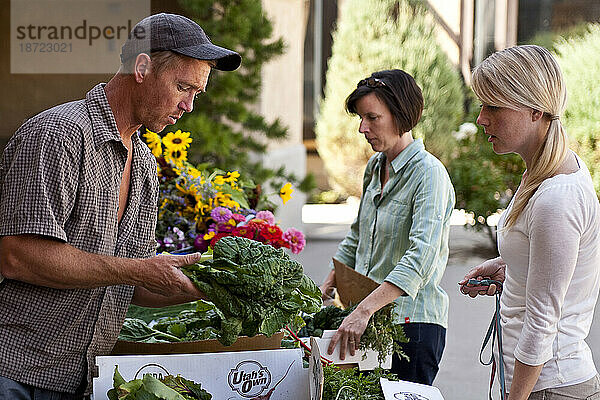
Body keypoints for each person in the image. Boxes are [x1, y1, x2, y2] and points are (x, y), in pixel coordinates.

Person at [0, 13, 241, 399]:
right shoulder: (59, 135)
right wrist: (140, 269)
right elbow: (18, 256)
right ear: (142, 67)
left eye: (197, 92)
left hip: (85, 379)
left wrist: (217, 283)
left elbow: (135, 284)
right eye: (182, 86)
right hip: (15, 371)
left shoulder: (144, 163)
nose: (189, 106)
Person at [459, 45, 600, 400]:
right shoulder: (544, 172)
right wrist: (512, 267)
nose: (482, 118)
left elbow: (543, 321)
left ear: (535, 109)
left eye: (494, 105)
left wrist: (516, 397)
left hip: (550, 385)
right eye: (481, 105)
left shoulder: (557, 196)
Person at [319, 69, 455, 385]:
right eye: (360, 118)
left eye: (372, 118)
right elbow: (357, 234)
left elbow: (420, 258)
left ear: (401, 116)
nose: (362, 128)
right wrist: (331, 279)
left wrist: (364, 310)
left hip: (412, 326)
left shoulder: (429, 176)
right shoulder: (375, 167)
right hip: (366, 319)